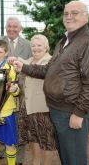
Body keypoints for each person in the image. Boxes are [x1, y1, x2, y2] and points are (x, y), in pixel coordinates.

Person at [13, 1, 89, 165]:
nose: (69, 16)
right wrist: (24, 67)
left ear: (86, 16)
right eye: (66, 13)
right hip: (58, 110)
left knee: (74, 159)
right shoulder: (65, 41)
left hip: (71, 111)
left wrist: (79, 113)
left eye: (74, 13)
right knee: (67, 158)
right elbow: (48, 70)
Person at [0, 17, 31, 164]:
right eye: (9, 26)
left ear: (20, 28)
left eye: (15, 26)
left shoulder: (28, 45)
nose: (11, 29)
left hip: (21, 88)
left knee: (19, 125)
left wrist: (19, 63)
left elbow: (32, 63)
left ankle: (18, 159)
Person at [15, 35, 56, 165]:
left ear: (46, 47)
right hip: (28, 107)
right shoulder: (29, 60)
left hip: (43, 108)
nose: (36, 48)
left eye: (39, 45)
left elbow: (39, 72)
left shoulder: (50, 61)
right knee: (33, 139)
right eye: (33, 45)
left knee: (47, 142)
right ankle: (35, 162)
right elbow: (20, 65)